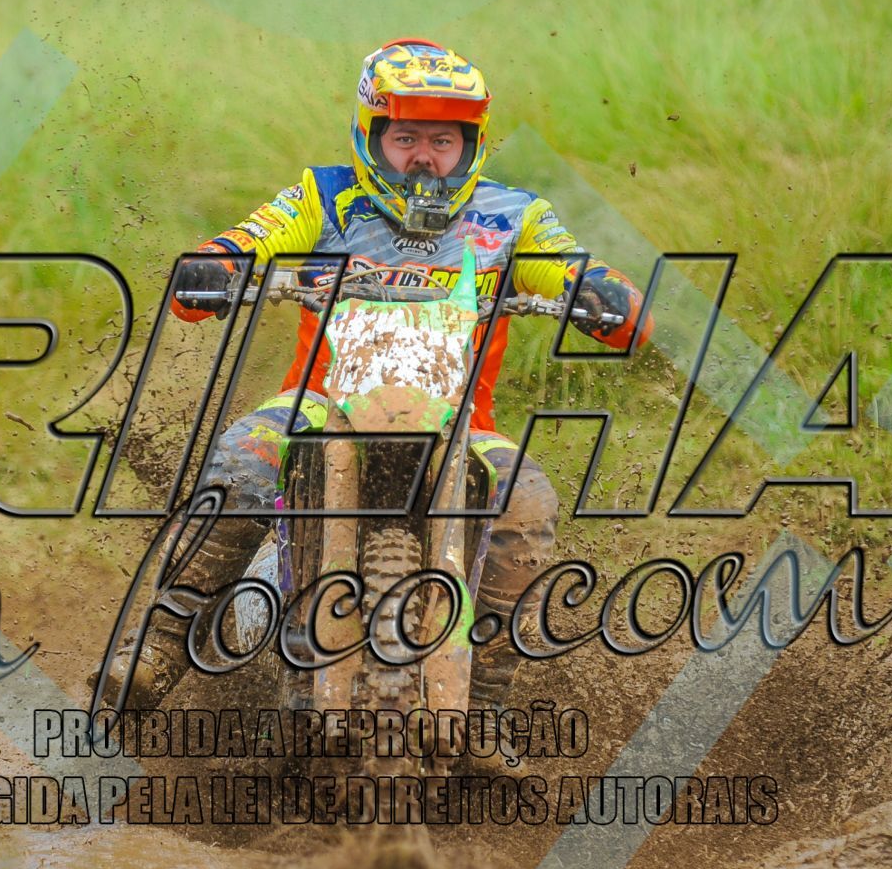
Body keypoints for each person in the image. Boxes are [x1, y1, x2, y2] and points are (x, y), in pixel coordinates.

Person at [105, 37, 653, 715]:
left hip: (460, 426)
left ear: (471, 145)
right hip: (317, 408)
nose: (424, 158)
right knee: (243, 460)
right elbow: (253, 237)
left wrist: (603, 294)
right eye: (406, 138)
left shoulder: (513, 218)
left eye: (443, 142)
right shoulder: (325, 198)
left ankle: (485, 700)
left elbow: (572, 266)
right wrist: (216, 264)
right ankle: (159, 646)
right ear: (371, 137)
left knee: (528, 500)